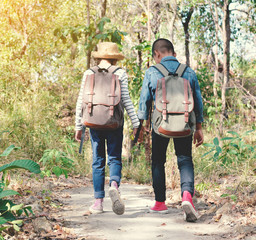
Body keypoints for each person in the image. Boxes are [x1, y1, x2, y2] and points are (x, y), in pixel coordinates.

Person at [137, 38, 204, 222]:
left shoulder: (152, 71)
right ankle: (187, 197)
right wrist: (198, 127)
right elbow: (198, 102)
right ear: (173, 53)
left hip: (161, 126)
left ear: (157, 54)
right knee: (185, 159)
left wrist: (141, 126)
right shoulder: (188, 71)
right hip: (184, 124)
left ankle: (160, 203)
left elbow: (144, 101)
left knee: (158, 161)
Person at [75, 42, 140, 215]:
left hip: (94, 122)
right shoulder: (120, 73)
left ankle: (98, 203)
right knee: (114, 158)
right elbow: (126, 100)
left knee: (97, 161)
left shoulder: (89, 73)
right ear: (114, 58)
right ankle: (113, 185)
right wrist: (136, 124)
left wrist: (78, 126)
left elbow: (80, 101)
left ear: (98, 56)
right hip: (114, 122)